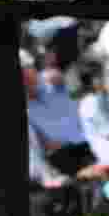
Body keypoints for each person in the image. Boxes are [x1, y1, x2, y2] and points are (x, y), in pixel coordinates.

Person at [23, 50, 96, 178]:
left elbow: (80, 90)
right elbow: (38, 143)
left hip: (90, 135)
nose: (26, 78)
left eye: (27, 69)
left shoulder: (52, 80)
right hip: (67, 153)